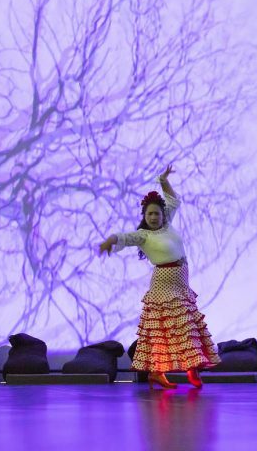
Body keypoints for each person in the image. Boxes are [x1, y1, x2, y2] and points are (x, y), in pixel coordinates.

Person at [99, 165, 220, 389]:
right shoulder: (144, 235)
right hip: (164, 286)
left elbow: (173, 200)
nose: (154, 217)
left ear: (163, 215)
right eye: (150, 214)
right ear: (144, 217)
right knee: (166, 329)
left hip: (181, 282)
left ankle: (190, 369)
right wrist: (110, 241)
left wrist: (163, 181)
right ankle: (159, 372)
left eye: (157, 213)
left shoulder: (168, 226)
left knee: (186, 327)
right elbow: (125, 237)